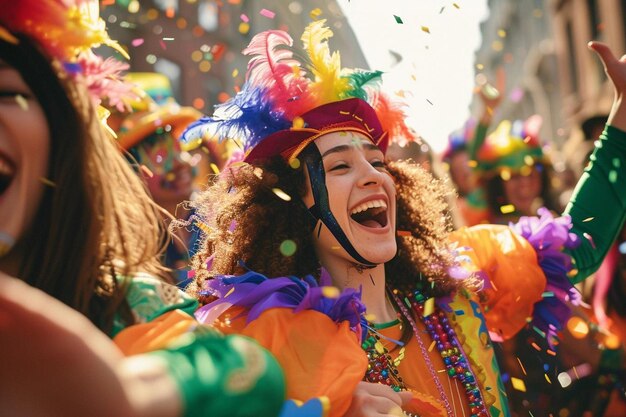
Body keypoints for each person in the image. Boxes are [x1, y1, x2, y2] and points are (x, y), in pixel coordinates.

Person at [183, 21, 626, 417]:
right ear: (293, 207)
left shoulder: (456, 278)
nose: (372, 177)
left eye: (377, 162)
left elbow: (574, 244)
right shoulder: (272, 340)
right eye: (340, 166)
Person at [0, 1, 285, 416]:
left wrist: (131, 393)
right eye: (157, 153)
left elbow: (249, 366)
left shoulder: (126, 288)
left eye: (7, 93)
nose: (177, 165)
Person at [112, 72, 219, 284]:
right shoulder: (124, 242)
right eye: (161, 156)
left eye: (180, 149)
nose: (181, 163)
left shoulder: (218, 218)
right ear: (132, 171)